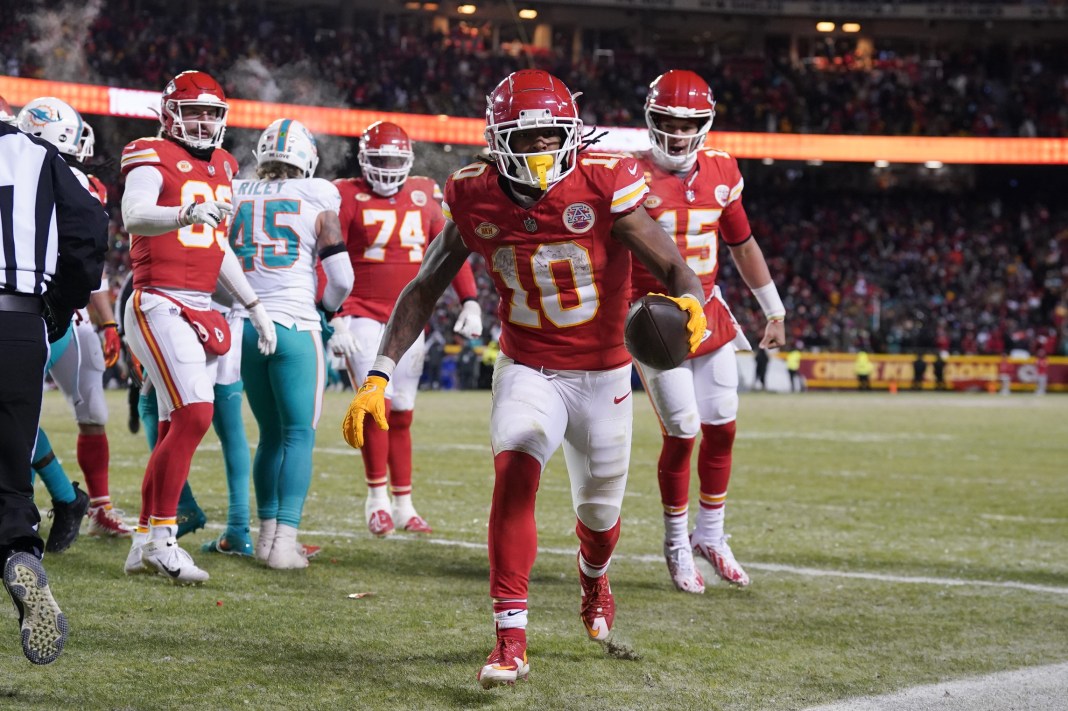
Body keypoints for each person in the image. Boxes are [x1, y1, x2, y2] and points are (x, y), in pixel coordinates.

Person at [341, 69, 706, 688]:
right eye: (526, 136)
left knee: (599, 516)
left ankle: (594, 580)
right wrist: (378, 373)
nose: (539, 150)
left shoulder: (604, 181)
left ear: (570, 134)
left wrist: (690, 304)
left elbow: (672, 263)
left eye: (549, 136)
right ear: (497, 138)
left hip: (603, 370)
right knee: (515, 467)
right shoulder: (473, 192)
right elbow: (424, 287)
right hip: (528, 364)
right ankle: (510, 639)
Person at [631, 69, 786, 594]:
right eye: (667, 123)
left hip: (711, 311)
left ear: (707, 122)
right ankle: (676, 542)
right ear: (650, 121)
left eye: (689, 123)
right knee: (683, 430)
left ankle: (710, 535)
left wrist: (774, 309)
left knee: (723, 425)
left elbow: (742, 244)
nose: (677, 134)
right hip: (654, 317)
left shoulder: (722, 168)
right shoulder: (625, 172)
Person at [119, 70, 276, 585]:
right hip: (157, 299)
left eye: (212, 112)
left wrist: (253, 303)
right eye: (194, 111)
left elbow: (217, 245)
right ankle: (163, 539)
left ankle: (144, 539)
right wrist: (186, 211)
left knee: (173, 422)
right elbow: (135, 215)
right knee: (195, 414)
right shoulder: (148, 151)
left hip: (199, 303)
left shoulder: (226, 165)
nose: (204, 121)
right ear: (169, 114)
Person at [334, 120, 482, 537]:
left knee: (402, 414)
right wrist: (336, 315)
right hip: (362, 312)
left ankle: (404, 503)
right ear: (363, 160)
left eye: (394, 160)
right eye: (378, 159)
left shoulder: (424, 193)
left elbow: (450, 250)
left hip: (409, 321)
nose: (386, 167)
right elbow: (328, 257)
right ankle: (376, 500)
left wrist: (469, 299)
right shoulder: (346, 194)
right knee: (375, 407)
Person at [1, 112, 108, 663]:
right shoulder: (37, 155)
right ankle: (20, 546)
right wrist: (58, 304)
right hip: (17, 321)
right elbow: (90, 228)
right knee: (10, 474)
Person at [228, 118, 353, 568]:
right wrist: (326, 312)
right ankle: (284, 544)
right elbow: (342, 278)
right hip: (296, 325)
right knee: (299, 433)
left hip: (244, 324)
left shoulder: (236, 190)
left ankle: (264, 538)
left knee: (268, 435)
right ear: (308, 160)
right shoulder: (317, 194)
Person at [16, 98, 132, 538]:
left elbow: (91, 266)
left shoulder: (72, 180)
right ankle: (66, 499)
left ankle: (84, 504)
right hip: (55, 311)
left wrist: (105, 323)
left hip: (57, 314)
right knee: (23, 409)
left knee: (76, 409)